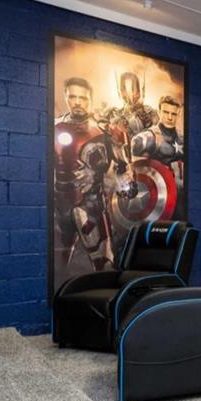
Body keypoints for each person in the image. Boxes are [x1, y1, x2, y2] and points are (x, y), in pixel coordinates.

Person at [53, 77, 135, 271]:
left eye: (83, 98)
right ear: (66, 97)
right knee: (56, 265)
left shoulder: (106, 131)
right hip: (58, 205)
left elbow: (123, 168)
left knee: (104, 265)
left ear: (90, 99)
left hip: (91, 206)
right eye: (72, 97)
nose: (77, 102)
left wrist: (126, 186)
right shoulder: (53, 127)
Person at [131, 95, 185, 181]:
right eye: (166, 112)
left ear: (178, 115)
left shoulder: (182, 139)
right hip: (158, 186)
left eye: (174, 114)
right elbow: (140, 178)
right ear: (159, 112)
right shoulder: (145, 139)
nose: (170, 117)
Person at [108, 72, 158, 138]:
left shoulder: (150, 113)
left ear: (139, 91)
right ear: (121, 92)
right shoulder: (116, 115)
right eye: (124, 89)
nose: (129, 94)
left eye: (133, 88)